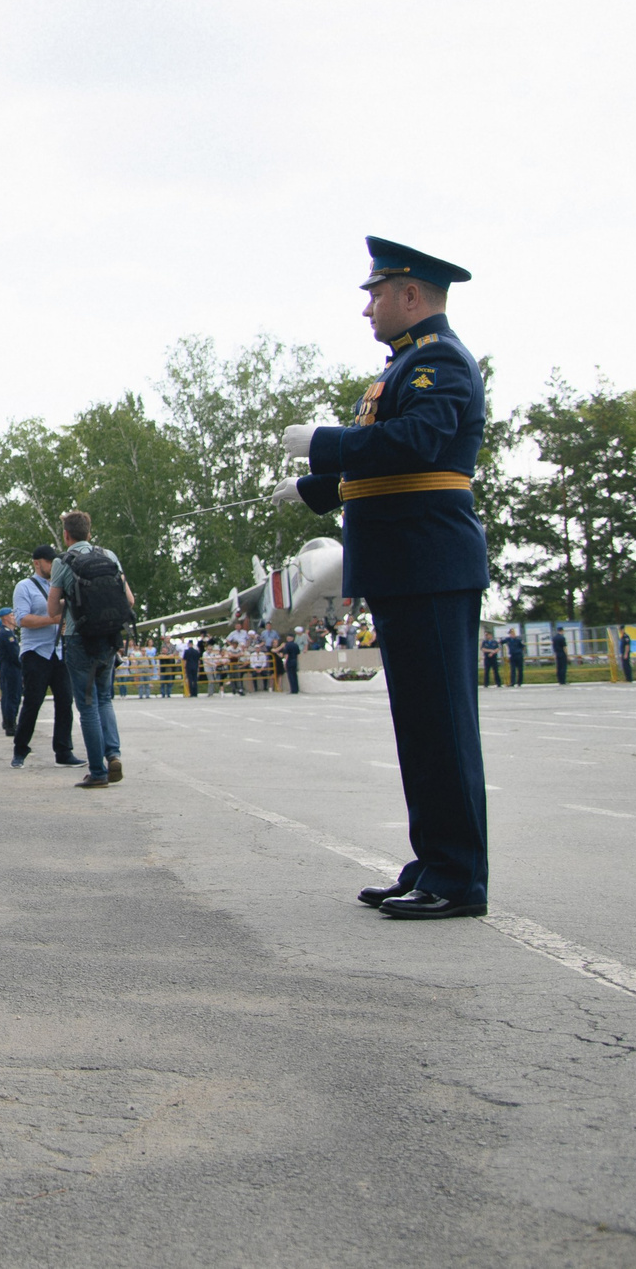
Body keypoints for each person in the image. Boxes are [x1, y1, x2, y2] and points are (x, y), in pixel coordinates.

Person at [277, 236, 489, 920]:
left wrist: (324, 442)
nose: (367, 308)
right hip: (408, 565)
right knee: (420, 730)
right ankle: (432, 862)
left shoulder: (438, 362)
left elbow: (414, 445)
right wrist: (317, 487)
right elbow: (383, 465)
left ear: (411, 294)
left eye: (376, 295)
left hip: (429, 563)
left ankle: (457, 877)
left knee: (441, 728)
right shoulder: (405, 366)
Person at [44, 511, 130, 787]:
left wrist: (70, 604)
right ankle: (113, 754)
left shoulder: (62, 562)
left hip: (79, 638)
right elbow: (129, 599)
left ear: (66, 535)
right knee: (104, 699)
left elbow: (52, 609)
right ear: (89, 533)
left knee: (87, 706)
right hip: (109, 638)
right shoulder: (109, 556)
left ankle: (98, 772)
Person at [9, 547, 74, 769]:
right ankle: (20, 749)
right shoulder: (24, 587)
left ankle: (64, 751)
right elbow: (22, 619)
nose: (53, 566)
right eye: (49, 562)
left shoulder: (59, 587)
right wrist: (52, 620)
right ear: (37, 563)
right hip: (35, 652)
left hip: (59, 651)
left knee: (65, 702)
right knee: (32, 702)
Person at [0, 606, 22, 735]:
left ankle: (9, 722)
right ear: (5, 618)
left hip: (8, 668)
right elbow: (14, 655)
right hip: (11, 669)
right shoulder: (6, 634)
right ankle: (10, 724)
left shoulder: (7, 633)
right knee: (12, 696)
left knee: (9, 696)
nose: (14, 618)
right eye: (11, 615)